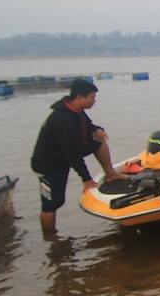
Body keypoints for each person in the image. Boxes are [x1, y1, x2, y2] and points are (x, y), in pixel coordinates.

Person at [30, 78, 126, 234]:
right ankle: (50, 237)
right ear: (80, 97)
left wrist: (97, 129)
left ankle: (110, 174)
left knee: (99, 141)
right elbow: (72, 153)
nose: (94, 101)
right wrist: (86, 179)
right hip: (48, 164)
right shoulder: (62, 119)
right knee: (52, 203)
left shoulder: (77, 111)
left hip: (63, 157)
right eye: (92, 97)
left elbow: (89, 126)